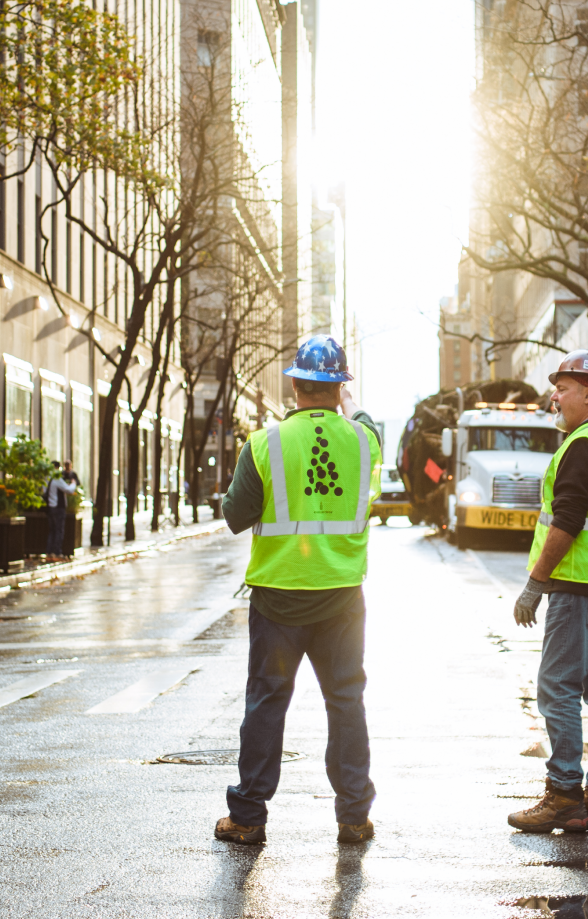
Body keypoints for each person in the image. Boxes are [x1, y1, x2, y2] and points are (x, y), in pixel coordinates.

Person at [214, 334, 382, 846]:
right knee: (346, 702)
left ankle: (247, 818)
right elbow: (368, 424)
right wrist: (349, 405)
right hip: (341, 601)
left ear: (293, 384)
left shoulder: (265, 443)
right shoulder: (363, 441)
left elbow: (236, 517)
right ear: (339, 388)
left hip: (278, 599)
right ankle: (354, 815)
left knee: (266, 703)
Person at [506, 350, 588, 839]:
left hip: (580, 587)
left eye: (562, 388)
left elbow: (568, 520)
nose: (554, 396)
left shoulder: (586, 444)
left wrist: (535, 583)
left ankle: (564, 795)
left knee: (557, 687)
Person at [42, 464, 77, 558]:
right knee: (59, 530)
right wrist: (73, 483)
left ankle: (49, 551)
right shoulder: (57, 479)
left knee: (52, 530)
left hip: (50, 508)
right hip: (58, 508)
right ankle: (57, 552)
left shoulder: (47, 479)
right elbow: (69, 490)